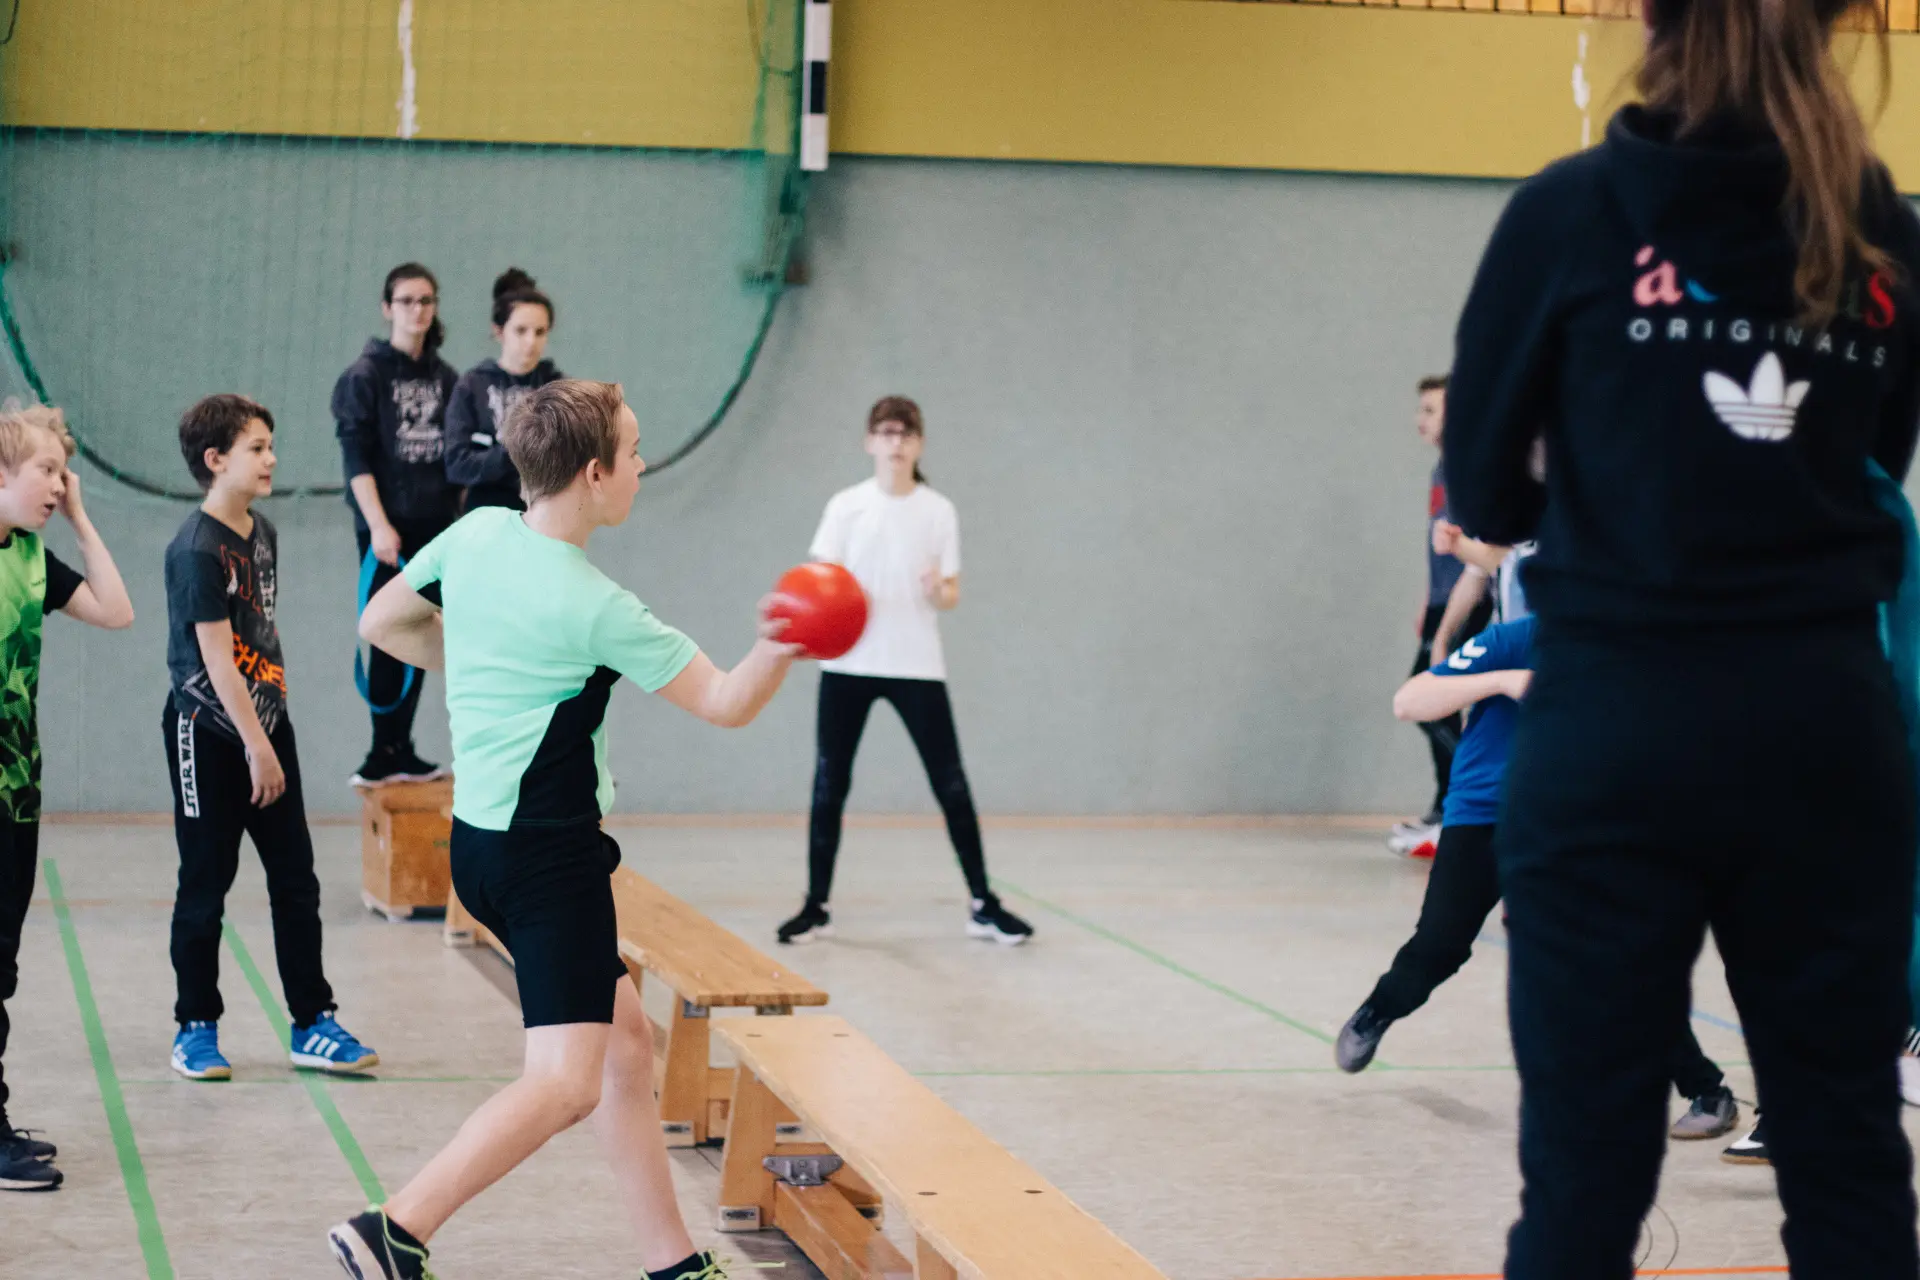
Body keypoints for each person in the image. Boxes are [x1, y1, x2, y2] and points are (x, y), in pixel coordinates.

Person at [1444, 0, 1920, 1270]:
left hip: (1617, 724)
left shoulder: (1570, 214)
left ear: (1650, 17)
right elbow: (1872, 462)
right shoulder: (1881, 227)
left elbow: (1485, 492)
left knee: (1584, 1186)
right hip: (1824, 729)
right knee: (1848, 1160)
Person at [337, 379, 799, 1280]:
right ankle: (394, 1227)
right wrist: (781, 645)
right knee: (563, 1083)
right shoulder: (598, 606)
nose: (642, 467)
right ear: (593, 473)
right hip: (550, 862)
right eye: (633, 452)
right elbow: (726, 701)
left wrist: (479, 657)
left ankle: (673, 1262)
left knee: (625, 1042)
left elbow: (379, 620)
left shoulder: (476, 534)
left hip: (479, 849)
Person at [1336, 615, 1739, 1141]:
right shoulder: (1514, 640)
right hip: (1483, 817)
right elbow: (1409, 702)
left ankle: (1705, 1089)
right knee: (1439, 945)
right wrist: (1503, 681)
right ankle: (1378, 1010)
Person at [163, 395, 379, 1084]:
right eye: (256, 448)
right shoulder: (195, 550)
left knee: (295, 879)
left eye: (270, 445)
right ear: (215, 459)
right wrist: (256, 746)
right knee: (206, 882)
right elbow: (217, 661)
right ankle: (195, 1027)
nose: (271, 459)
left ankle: (312, 1021)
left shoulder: (263, 533)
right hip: (208, 732)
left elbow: (261, 636)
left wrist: (271, 730)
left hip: (266, 727)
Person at [774, 396, 1033, 947]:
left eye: (906, 433)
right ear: (870, 441)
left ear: (919, 444)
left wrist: (937, 589)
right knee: (830, 782)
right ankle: (816, 906)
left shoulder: (938, 511)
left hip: (916, 665)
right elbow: (819, 583)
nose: (896, 442)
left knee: (950, 782)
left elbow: (951, 595)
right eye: (887, 432)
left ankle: (983, 904)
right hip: (848, 664)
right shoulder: (846, 506)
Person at [0, 404, 132, 1191]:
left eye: (63, 470)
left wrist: (80, 519)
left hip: (17, 793)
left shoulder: (29, 559)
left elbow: (116, 611)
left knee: (1, 966)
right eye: (46, 470)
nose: (59, 483)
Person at [333, 262, 460, 786]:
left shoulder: (447, 378)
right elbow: (355, 459)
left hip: (437, 524)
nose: (417, 310)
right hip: (388, 530)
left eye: (426, 300)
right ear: (388, 308)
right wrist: (379, 526)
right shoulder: (365, 377)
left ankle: (402, 747)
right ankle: (382, 749)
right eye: (407, 300)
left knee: (426, 632)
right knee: (388, 632)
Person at [1389, 375, 1491, 856]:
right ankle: (1445, 807)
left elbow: (1476, 553)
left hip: (1465, 602)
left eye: (1431, 410)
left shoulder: (1470, 468)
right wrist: (1426, 600)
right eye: (1421, 410)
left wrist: (1447, 620)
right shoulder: (1443, 467)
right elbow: (1440, 547)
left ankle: (1462, 807)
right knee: (1434, 706)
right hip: (1440, 601)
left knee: (1429, 703)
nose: (1420, 420)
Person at [444, 267, 564, 513]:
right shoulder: (472, 385)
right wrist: (517, 450)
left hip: (541, 512)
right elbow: (457, 465)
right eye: (520, 331)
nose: (531, 342)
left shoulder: (557, 388)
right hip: (487, 513)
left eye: (540, 332)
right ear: (499, 331)